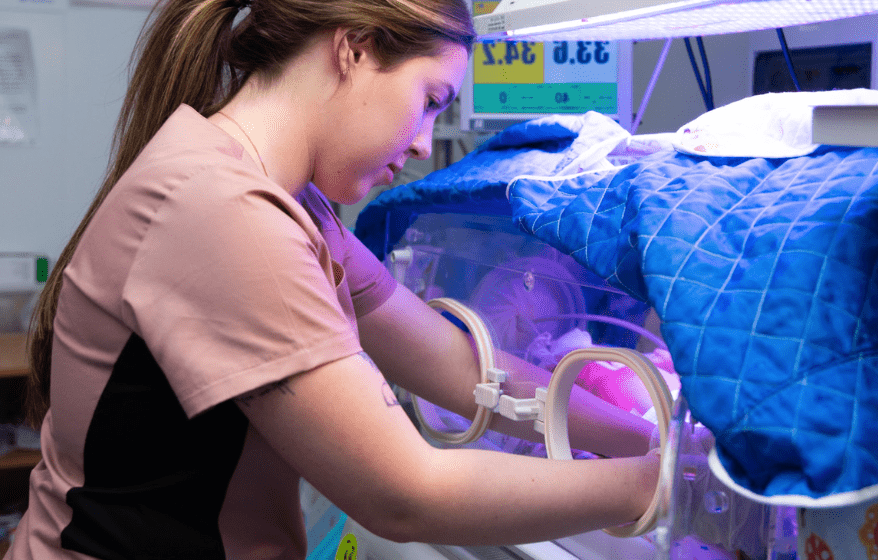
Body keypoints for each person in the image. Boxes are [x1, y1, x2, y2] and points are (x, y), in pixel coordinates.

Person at [8, 0, 660, 557]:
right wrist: (658, 485)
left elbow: (455, 364)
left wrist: (646, 435)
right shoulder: (222, 212)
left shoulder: (292, 205)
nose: (423, 146)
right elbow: (405, 494)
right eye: (431, 101)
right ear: (353, 50)